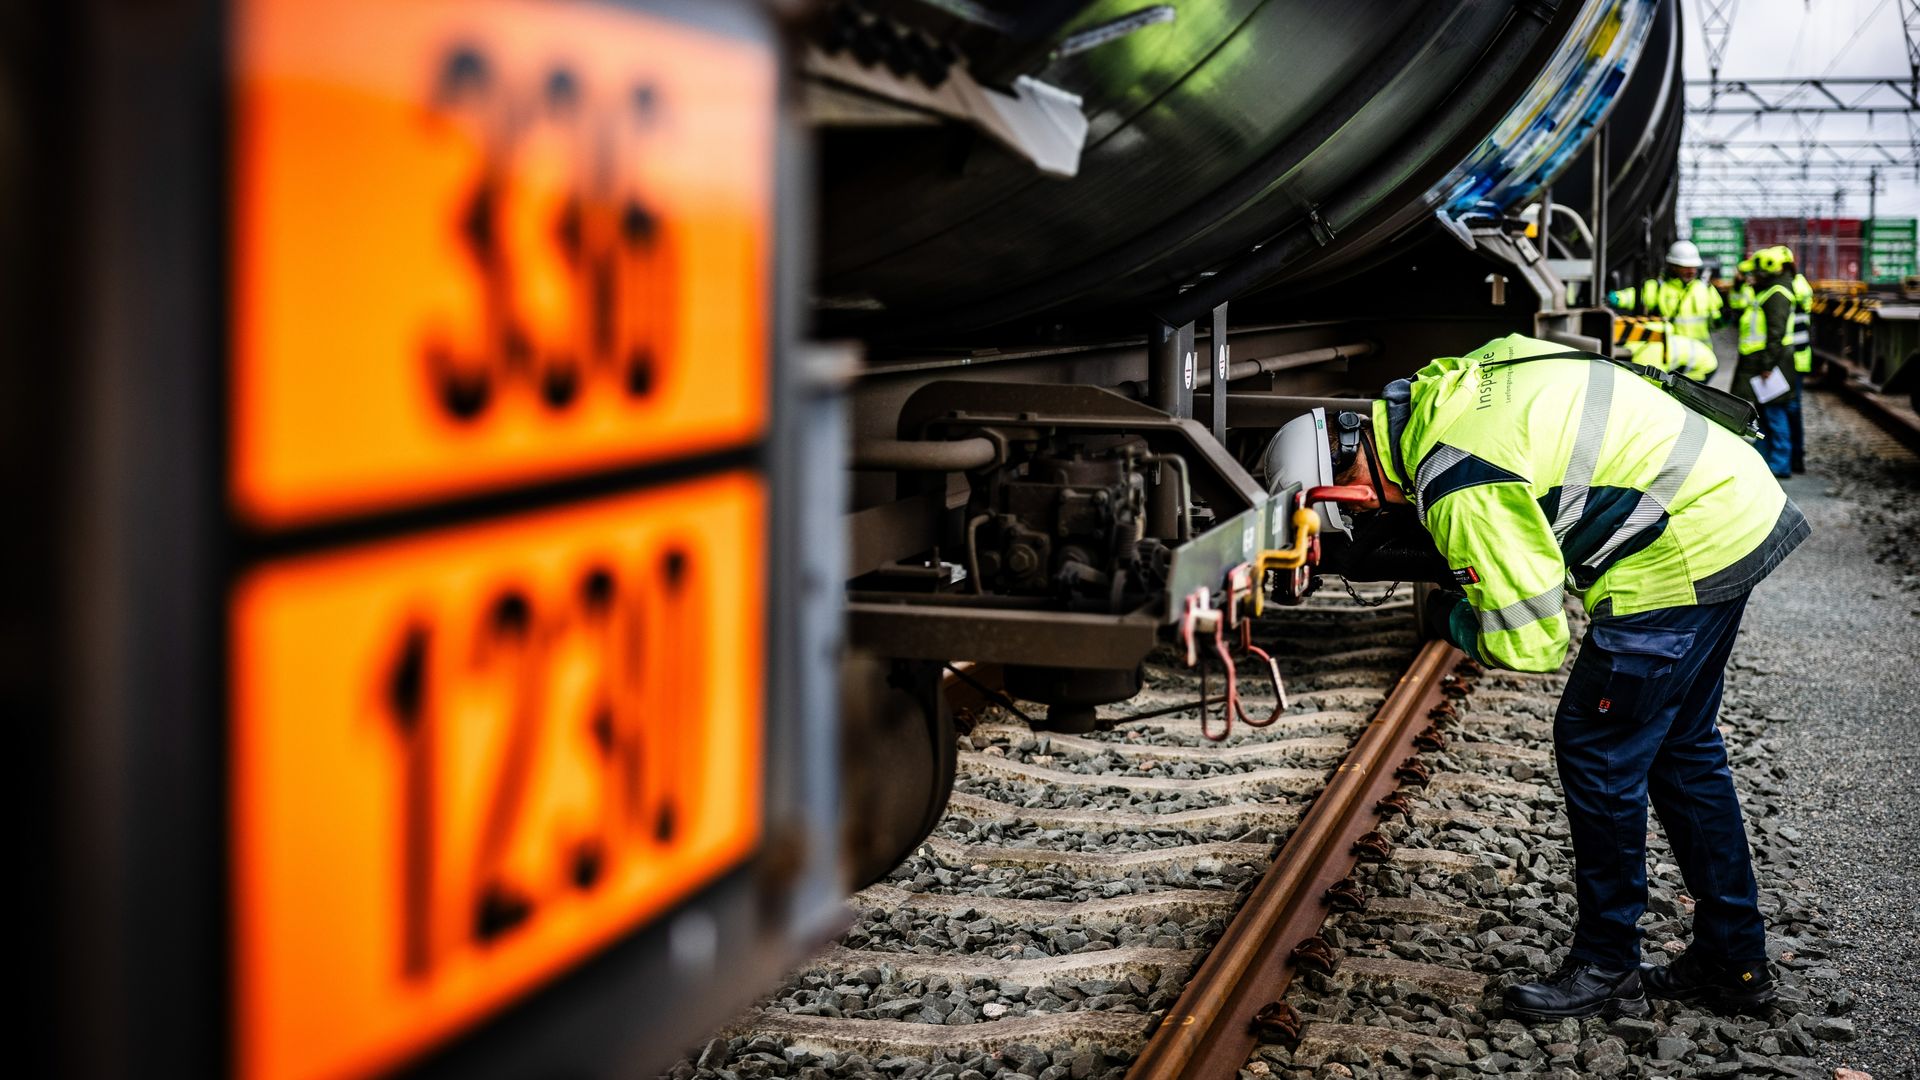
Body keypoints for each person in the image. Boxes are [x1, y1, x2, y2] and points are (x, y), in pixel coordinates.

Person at [1315, 333, 1809, 1022]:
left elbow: (1534, 641)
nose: (1376, 517)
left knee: (1598, 745)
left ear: (1353, 484)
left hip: (1679, 548)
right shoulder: (1449, 385)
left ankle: (1607, 963)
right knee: (1683, 749)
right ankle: (1736, 962)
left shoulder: (1459, 480)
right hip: (1733, 499)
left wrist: (1459, 619)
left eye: (1363, 511)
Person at [1734, 249, 1797, 478]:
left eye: (1758, 273)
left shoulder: (1777, 293)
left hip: (1775, 362)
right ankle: (1766, 459)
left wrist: (1768, 365)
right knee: (1766, 414)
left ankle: (1780, 462)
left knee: (1775, 414)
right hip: (1767, 361)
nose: (1754, 277)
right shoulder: (1770, 290)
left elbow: (1775, 333)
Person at [1640, 240, 1724, 347]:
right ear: (1673, 266)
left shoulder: (1705, 288)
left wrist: (1724, 317)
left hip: (1701, 354)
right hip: (1672, 353)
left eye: (1693, 266)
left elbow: (1717, 319)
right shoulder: (1659, 287)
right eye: (1685, 266)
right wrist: (1617, 297)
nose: (1691, 271)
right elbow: (1635, 296)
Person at [1626, 321, 1717, 382]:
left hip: (1705, 367)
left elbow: (1653, 384)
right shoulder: (1644, 334)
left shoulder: (1644, 358)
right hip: (1705, 355)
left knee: (1682, 395)